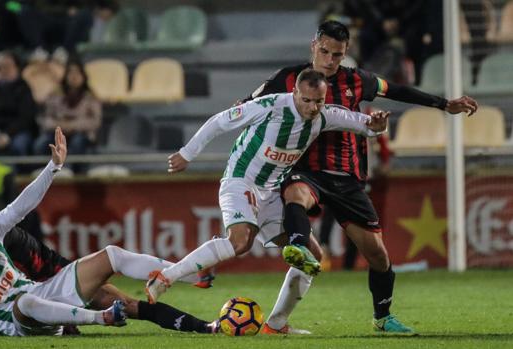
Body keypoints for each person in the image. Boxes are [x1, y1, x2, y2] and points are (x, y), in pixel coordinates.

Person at [240, 20, 478, 334]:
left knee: (378, 255)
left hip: (346, 177)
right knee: (296, 194)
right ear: (314, 45)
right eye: (324, 51)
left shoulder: (357, 80)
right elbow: (247, 105)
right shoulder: (287, 78)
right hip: (304, 169)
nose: (329, 60)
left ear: (345, 52)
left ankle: (382, 318)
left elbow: (397, 90)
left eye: (336, 55)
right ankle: (297, 247)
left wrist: (443, 104)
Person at [145, 69, 389, 310]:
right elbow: (219, 121)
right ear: (294, 93)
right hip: (241, 180)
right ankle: (165, 277)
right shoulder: (270, 106)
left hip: (271, 192)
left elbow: (363, 124)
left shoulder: (323, 116)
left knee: (310, 255)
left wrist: (377, 125)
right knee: (241, 242)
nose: (312, 107)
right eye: (306, 100)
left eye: (319, 101)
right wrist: (187, 153)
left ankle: (276, 325)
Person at [0, 127, 216, 336]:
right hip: (22, 320)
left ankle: (191, 275)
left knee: (112, 255)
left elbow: (23, 204)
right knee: (25, 303)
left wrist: (53, 166)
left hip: (46, 287)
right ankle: (101, 318)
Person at [0, 198, 215, 337]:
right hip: (30, 304)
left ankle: (189, 279)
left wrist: (53, 167)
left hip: (54, 280)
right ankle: (100, 318)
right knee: (2, 316)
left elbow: (41, 260)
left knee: (129, 300)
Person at [33, 59, 101, 158]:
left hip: (81, 133)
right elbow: (46, 118)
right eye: (70, 73)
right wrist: (60, 126)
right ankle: (43, 172)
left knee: (77, 143)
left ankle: (78, 172)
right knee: (40, 144)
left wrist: (72, 125)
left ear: (83, 76)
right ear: (65, 76)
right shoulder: (55, 95)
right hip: (56, 131)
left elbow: (95, 121)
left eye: (77, 73)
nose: (74, 76)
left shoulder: (91, 97)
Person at [0, 51, 37, 156]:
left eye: (8, 67)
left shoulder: (24, 89)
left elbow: (25, 118)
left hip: (17, 132)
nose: (4, 70)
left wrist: (7, 135)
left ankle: (18, 172)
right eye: (0, 67)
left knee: (19, 145)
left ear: (17, 68)